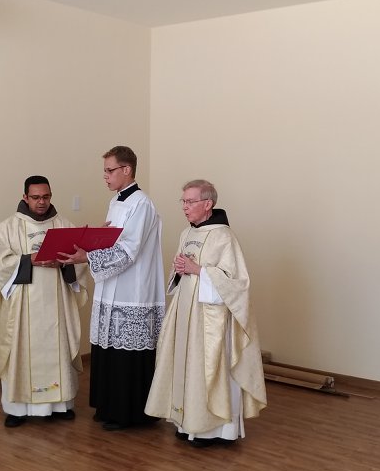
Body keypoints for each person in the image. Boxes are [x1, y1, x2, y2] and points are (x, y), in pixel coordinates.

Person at [145, 180, 267, 448]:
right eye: (183, 201)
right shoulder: (187, 233)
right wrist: (180, 270)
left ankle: (214, 430)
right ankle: (186, 423)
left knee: (209, 368)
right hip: (186, 313)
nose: (184, 207)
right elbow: (182, 273)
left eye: (190, 201)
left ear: (208, 204)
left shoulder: (224, 236)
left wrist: (198, 270)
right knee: (186, 365)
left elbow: (237, 283)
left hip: (212, 319)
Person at [57, 146, 164, 431]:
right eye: (104, 171)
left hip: (133, 291)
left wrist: (87, 256)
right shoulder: (116, 200)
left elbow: (129, 250)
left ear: (126, 170)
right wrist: (92, 240)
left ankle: (129, 414)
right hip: (111, 287)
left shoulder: (142, 204)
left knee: (127, 356)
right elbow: (114, 241)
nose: (105, 176)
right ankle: (108, 407)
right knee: (108, 349)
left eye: (109, 170)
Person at [0, 176, 87, 427]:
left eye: (46, 197)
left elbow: (79, 261)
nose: (41, 202)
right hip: (21, 307)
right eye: (36, 197)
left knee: (58, 348)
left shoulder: (64, 225)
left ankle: (60, 405)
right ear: (25, 197)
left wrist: (64, 263)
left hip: (56, 303)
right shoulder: (8, 228)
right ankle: (17, 409)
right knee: (20, 350)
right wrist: (30, 259)